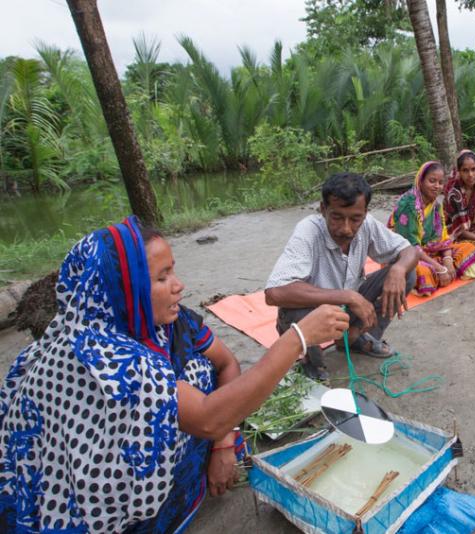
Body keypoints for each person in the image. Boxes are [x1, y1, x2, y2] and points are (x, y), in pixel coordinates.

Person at [0, 216, 348, 533]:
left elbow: (226, 364)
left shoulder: (161, 323)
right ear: (124, 292)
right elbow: (209, 418)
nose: (179, 286)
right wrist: (297, 338)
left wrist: (224, 444)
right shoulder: (112, 359)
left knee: (199, 369)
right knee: (195, 379)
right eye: (161, 277)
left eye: (173, 271)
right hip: (81, 507)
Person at [265, 173, 418, 380]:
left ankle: (357, 336)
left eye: (355, 219)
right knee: (294, 308)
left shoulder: (367, 225)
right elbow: (274, 293)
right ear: (323, 209)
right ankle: (311, 362)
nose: (346, 228)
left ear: (365, 213)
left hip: (349, 307)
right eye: (337, 217)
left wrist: (398, 270)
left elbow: (409, 252)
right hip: (314, 312)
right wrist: (348, 296)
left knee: (406, 274)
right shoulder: (308, 231)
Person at [388, 161, 475, 296]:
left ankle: (443, 272)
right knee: (424, 273)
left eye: (440, 182)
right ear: (420, 181)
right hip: (407, 255)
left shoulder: (436, 206)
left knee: (470, 249)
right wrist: (439, 268)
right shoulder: (408, 205)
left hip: (431, 250)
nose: (437, 186)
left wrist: (448, 261)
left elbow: (443, 239)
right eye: (432, 181)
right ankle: (435, 275)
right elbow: (410, 247)